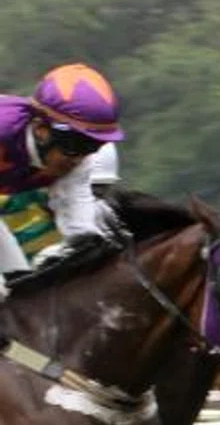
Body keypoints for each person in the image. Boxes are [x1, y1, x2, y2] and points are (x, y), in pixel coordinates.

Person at [0, 63, 126, 297]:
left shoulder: (76, 161)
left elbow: (79, 228)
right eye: (75, 145)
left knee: (23, 291)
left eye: (93, 146)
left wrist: (92, 245)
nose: (80, 157)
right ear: (40, 129)